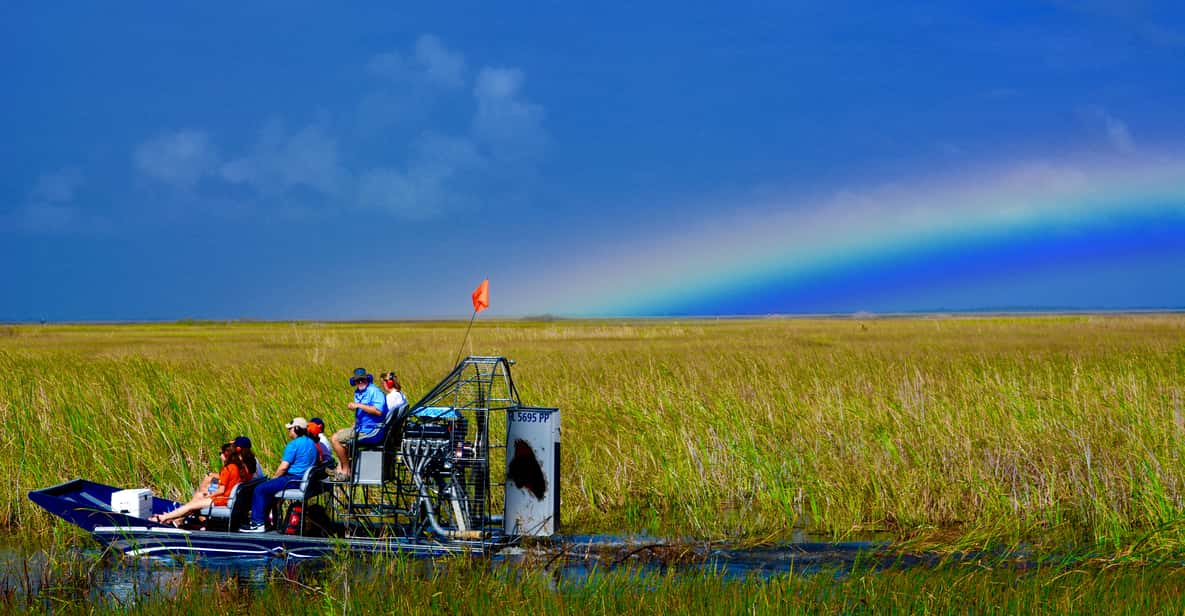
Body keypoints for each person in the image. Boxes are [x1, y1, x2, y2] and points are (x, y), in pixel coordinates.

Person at [240, 417, 320, 533]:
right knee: (267, 488)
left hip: (293, 480)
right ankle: (267, 521)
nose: (288, 431)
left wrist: (273, 480)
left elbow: (283, 467)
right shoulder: (312, 444)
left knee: (260, 489)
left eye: (290, 429)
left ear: (296, 429)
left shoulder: (293, 445)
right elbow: (317, 461)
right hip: (304, 480)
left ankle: (257, 523)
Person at [151, 442, 247, 527]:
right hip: (229, 499)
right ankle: (177, 520)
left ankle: (164, 517)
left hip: (222, 500)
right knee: (198, 497)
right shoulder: (240, 468)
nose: (220, 456)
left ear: (226, 455)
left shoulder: (228, 469)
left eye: (220, 453)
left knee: (191, 505)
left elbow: (221, 490)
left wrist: (210, 495)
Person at [330, 368, 388, 480]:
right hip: (362, 428)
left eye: (362, 379)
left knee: (335, 439)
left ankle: (346, 471)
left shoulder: (374, 391)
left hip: (372, 431)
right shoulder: (358, 392)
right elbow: (362, 415)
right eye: (357, 380)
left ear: (367, 379)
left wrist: (358, 405)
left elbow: (378, 411)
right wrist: (355, 424)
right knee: (340, 433)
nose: (360, 382)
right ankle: (340, 468)